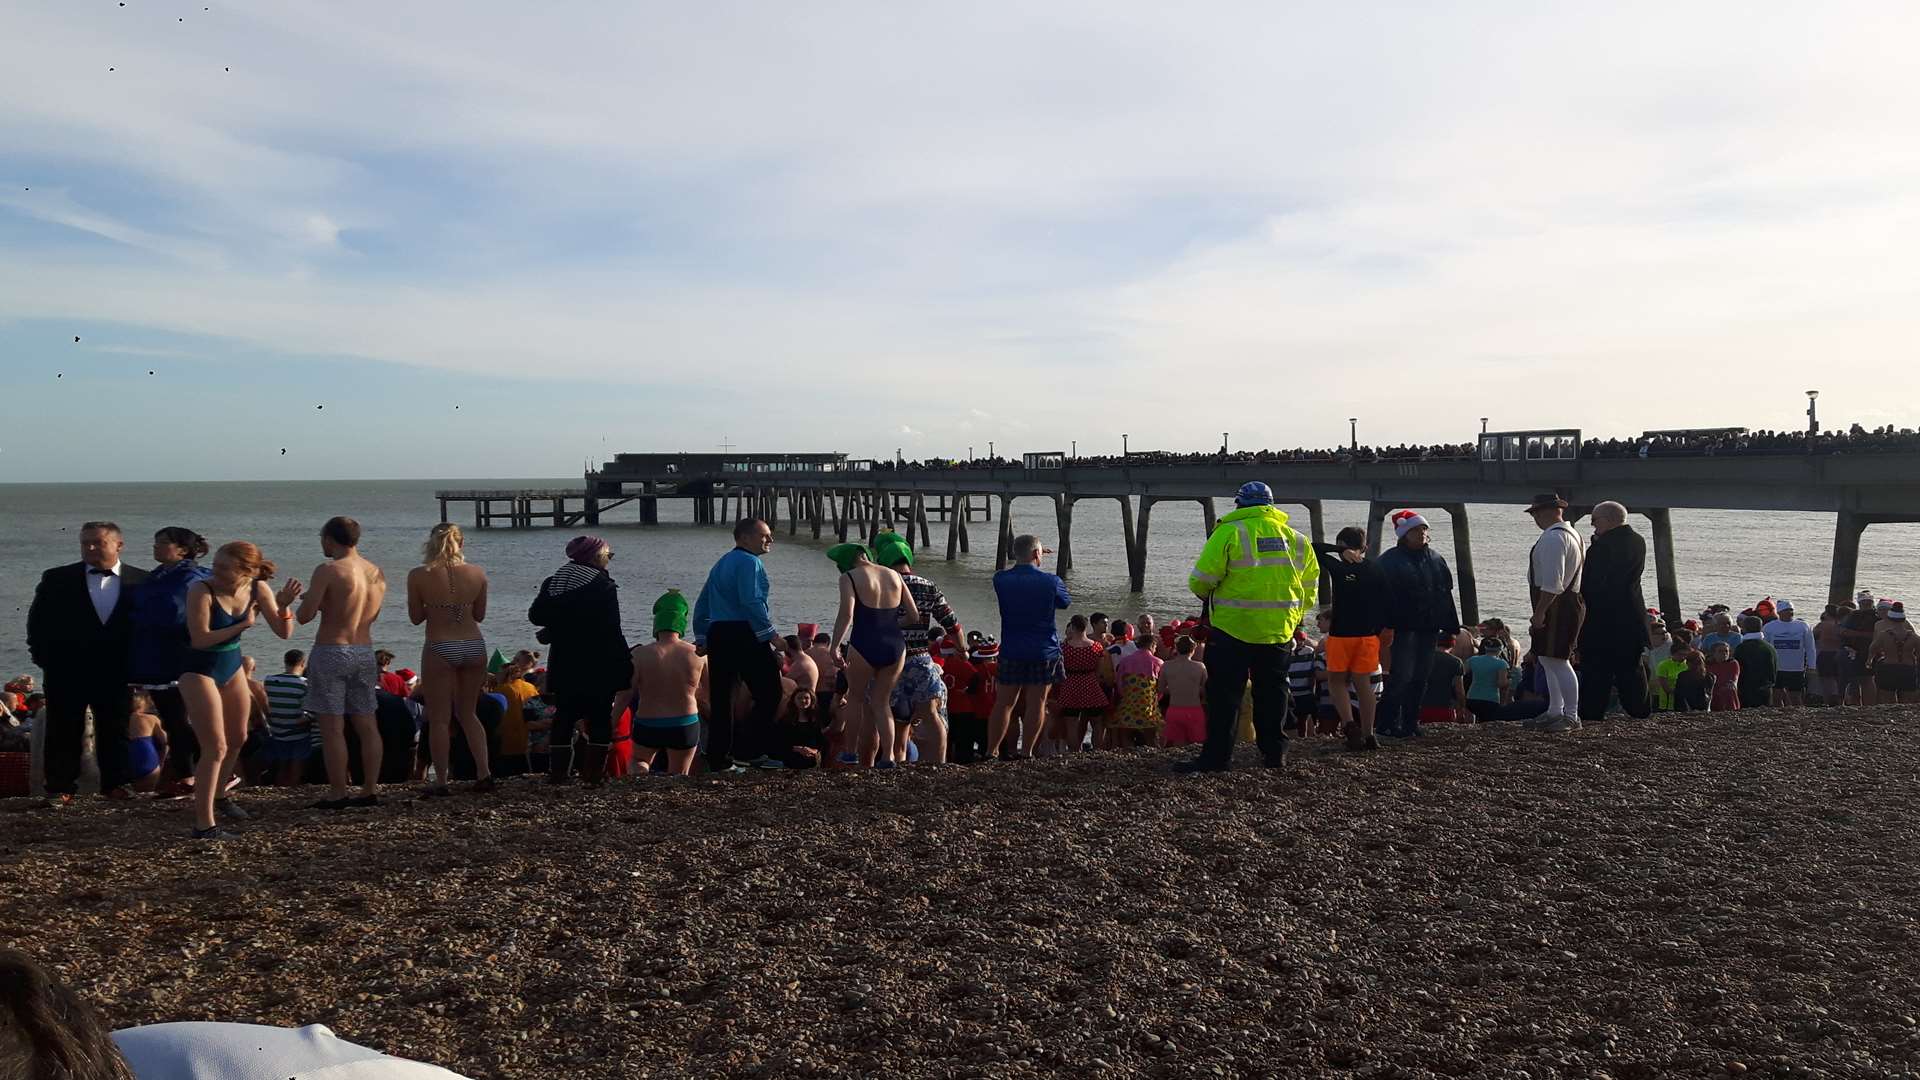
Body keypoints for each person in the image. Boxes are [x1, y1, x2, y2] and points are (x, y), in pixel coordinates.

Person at [1181, 482, 1319, 772]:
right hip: (1278, 632)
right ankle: (1274, 754)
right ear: (1270, 505)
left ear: (1240, 505)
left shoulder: (1229, 532)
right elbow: (1309, 588)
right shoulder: (1296, 539)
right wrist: (1292, 618)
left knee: (1225, 697)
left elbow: (1201, 580)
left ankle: (1217, 758)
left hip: (1233, 630)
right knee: (1273, 694)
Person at [25, 521, 152, 806]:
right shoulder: (58, 578)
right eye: (85, 543)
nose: (90, 548)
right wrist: (45, 660)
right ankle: (59, 787)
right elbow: (38, 623)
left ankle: (117, 784)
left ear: (119, 545)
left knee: (116, 727)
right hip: (66, 670)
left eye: (98, 542)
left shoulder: (141, 580)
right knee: (62, 728)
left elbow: (148, 627)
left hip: (118, 671)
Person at [181, 542, 300, 838]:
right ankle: (204, 824)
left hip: (231, 665)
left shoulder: (258, 589)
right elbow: (200, 639)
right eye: (215, 564)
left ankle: (220, 796)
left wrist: (284, 607)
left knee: (238, 738)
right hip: (197, 669)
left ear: (245, 571)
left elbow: (284, 633)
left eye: (223, 567)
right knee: (216, 747)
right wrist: (243, 625)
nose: (215, 571)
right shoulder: (201, 589)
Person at [295, 516, 389, 810]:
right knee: (367, 723)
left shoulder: (328, 569)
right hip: (363, 649)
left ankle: (338, 791)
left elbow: (304, 615)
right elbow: (370, 613)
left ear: (329, 539)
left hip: (332, 648)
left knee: (332, 727)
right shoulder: (375, 571)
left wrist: (311, 599)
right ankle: (370, 788)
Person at [529, 535, 632, 786]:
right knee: (598, 717)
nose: (609, 560)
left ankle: (558, 773)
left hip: (564, 661)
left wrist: (556, 629)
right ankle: (593, 775)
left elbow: (536, 615)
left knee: (564, 716)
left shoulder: (554, 582)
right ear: (595, 557)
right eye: (608, 555)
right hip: (597, 661)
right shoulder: (602, 586)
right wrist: (624, 662)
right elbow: (612, 629)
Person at [405, 523, 495, 797]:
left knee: (441, 718)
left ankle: (442, 780)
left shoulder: (419, 575)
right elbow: (479, 616)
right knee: (468, 713)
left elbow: (416, 618)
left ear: (431, 544)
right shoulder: (478, 573)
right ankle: (484, 773)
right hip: (473, 644)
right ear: (462, 543)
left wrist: (435, 606)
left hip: (440, 645)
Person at [692, 518, 781, 773]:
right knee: (770, 692)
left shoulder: (721, 563)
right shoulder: (749, 562)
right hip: (744, 631)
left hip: (720, 633)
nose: (770, 540)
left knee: (723, 699)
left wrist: (702, 636)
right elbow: (751, 602)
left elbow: (703, 602)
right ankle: (747, 750)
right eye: (764, 535)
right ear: (744, 538)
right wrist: (771, 636)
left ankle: (720, 757)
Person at [127, 525, 211, 792]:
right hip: (156, 659)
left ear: (182, 550)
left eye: (162, 542)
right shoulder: (158, 575)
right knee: (173, 719)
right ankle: (187, 775)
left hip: (179, 657)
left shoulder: (191, 577)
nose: (155, 546)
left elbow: (175, 613)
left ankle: (208, 769)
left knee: (183, 719)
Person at [872, 530, 959, 764]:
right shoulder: (927, 585)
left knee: (886, 715)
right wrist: (962, 649)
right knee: (930, 714)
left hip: (887, 659)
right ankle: (937, 764)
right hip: (919, 659)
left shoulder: (879, 586)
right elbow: (951, 622)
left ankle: (889, 761)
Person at [828, 542, 918, 767]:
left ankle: (850, 752)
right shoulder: (894, 575)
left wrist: (835, 646)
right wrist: (892, 624)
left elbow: (847, 614)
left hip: (863, 643)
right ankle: (888, 757)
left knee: (856, 699)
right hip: (895, 645)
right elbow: (913, 615)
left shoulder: (849, 577)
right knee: (882, 702)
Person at [1375, 510, 1460, 739]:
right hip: (1403, 627)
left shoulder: (1435, 558)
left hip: (1429, 626)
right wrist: (1383, 625)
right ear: (1404, 534)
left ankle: (1411, 723)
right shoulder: (1389, 561)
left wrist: (1451, 624)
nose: (1422, 533)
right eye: (1416, 530)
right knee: (1401, 676)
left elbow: (1446, 593)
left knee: (1421, 676)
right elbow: (1380, 597)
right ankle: (1387, 723)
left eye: (1424, 529)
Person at [986, 535, 1071, 761]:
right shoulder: (1051, 581)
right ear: (1036, 555)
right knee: (1037, 703)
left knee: (1004, 703)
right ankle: (1027, 752)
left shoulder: (1001, 579)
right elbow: (1064, 602)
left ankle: (991, 751)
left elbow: (1015, 570)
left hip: (1012, 649)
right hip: (1044, 650)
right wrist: (1039, 561)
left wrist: (1032, 554)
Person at [1312, 525, 1389, 751]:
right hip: (1367, 635)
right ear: (1365, 547)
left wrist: (1338, 550)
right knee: (1363, 684)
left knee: (1337, 681)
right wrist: (1385, 629)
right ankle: (1369, 734)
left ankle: (1348, 724)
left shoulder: (1338, 567)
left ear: (1343, 546)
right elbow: (1388, 602)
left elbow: (1312, 547)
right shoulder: (1375, 569)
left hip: (1340, 635)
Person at [1576, 501, 1650, 723]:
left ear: (1608, 520)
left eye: (1594, 521)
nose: (1593, 527)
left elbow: (1592, 583)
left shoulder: (1602, 547)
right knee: (1631, 668)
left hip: (1603, 619)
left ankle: (1592, 713)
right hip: (1632, 614)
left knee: (1596, 669)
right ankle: (1640, 710)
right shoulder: (1638, 541)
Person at [625, 590, 706, 776]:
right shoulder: (698, 654)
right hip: (684, 723)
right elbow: (709, 693)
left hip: (648, 722)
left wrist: (612, 722)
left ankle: (640, 785)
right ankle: (672, 798)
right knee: (679, 773)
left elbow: (625, 693)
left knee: (639, 761)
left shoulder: (639, 654)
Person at [1523, 493, 1585, 733]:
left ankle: (1570, 715)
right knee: (1548, 659)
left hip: (1557, 604)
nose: (1535, 518)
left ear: (1545, 512)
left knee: (1558, 660)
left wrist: (1539, 613)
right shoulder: (1573, 534)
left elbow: (1552, 583)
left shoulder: (1553, 539)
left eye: (1535, 513)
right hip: (1566, 601)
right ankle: (1555, 710)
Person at [1053, 615, 1108, 754]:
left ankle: (1074, 751)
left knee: (1072, 723)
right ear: (1086, 627)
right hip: (1090, 683)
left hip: (1070, 683)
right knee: (1097, 722)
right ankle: (1097, 750)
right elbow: (1100, 671)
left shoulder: (1064, 647)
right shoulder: (1096, 646)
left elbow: (1059, 669)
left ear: (1072, 627)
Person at [262, 649, 313, 786]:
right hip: (298, 732)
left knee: (282, 764)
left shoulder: (269, 680)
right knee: (297, 763)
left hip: (277, 730)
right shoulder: (305, 684)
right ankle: (293, 786)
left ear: (285, 662)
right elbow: (311, 711)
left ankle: (280, 786)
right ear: (303, 663)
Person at [1761, 600, 1815, 707]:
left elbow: (1810, 647)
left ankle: (1798, 715)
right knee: (1777, 696)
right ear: (1779, 612)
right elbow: (1765, 648)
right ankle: (1780, 716)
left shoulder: (1803, 626)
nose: (1790, 612)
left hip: (1796, 668)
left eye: (1791, 610)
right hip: (1777, 668)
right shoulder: (1769, 627)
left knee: (1795, 696)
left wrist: (1812, 665)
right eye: (1786, 610)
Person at [1158, 636, 1208, 746]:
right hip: (1194, 710)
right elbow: (1206, 690)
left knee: (1178, 745)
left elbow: (1160, 689)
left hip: (1174, 710)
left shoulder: (1166, 666)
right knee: (1197, 746)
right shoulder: (1200, 667)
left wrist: (1175, 688)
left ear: (1176, 648)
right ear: (1193, 649)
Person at [1869, 602, 1920, 704]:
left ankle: (1889, 717)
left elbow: (1873, 648)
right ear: (1904, 619)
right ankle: (1904, 717)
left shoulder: (1884, 635)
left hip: (1889, 667)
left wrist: (1869, 660)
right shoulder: (1914, 637)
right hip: (1908, 668)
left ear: (1890, 618)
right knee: (1907, 699)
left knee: (1887, 697)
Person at [1420, 633, 1470, 726]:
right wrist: (1462, 707)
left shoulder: (1422, 658)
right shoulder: (1456, 662)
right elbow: (1459, 690)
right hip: (1445, 706)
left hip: (1422, 705)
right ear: (1453, 644)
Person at [123, 689, 168, 792]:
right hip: (146, 755)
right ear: (144, 704)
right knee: (147, 795)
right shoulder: (151, 718)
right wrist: (161, 763)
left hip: (127, 756)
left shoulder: (120, 720)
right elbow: (166, 742)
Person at [1732, 615, 1778, 709]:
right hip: (1765, 690)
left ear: (1744, 629)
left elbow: (1738, 670)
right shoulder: (1770, 648)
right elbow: (1773, 671)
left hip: (1746, 690)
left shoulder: (1741, 648)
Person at [1465, 637, 1511, 722]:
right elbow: (1501, 683)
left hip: (1472, 697)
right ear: (1500, 649)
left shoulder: (1473, 660)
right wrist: (1509, 682)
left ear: (1485, 648)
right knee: (1486, 723)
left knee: (1473, 719)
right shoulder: (1501, 663)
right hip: (1490, 699)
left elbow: (1463, 674)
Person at [1704, 642, 1742, 711]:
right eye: (1720, 651)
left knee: (1728, 689)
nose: (1724, 653)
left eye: (1726, 651)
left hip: (1727, 694)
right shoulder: (1707, 665)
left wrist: (1731, 684)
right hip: (1712, 694)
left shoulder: (1733, 663)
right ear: (1713, 653)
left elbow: (1733, 678)